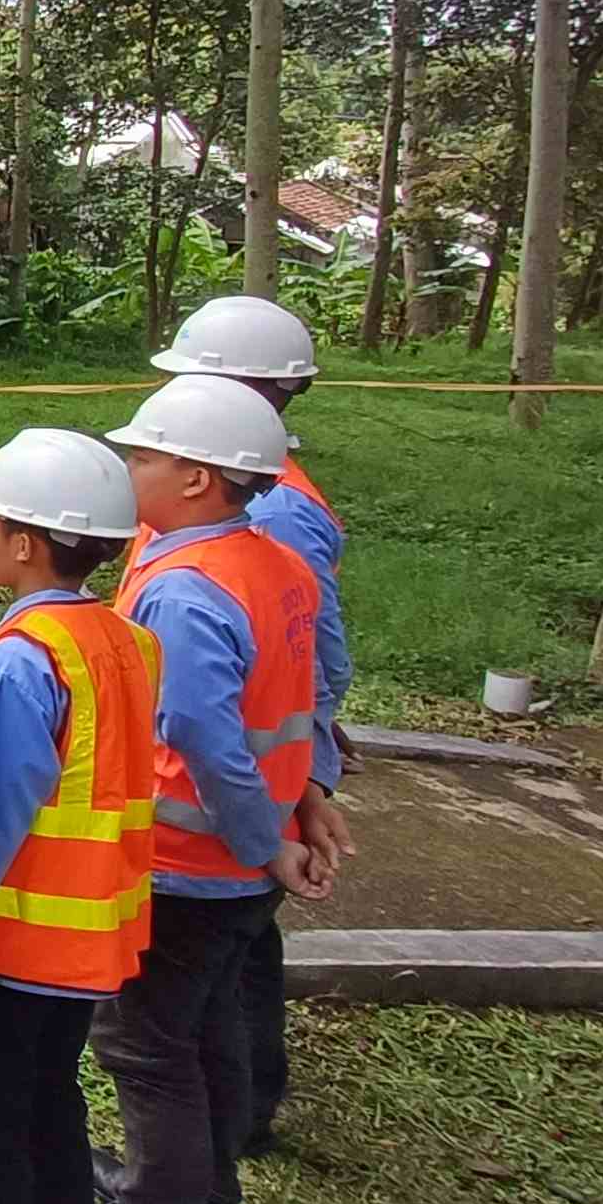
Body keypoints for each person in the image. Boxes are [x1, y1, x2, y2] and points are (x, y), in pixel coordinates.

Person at [95, 376, 332, 1204]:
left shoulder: (188, 592)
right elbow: (300, 698)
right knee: (209, 1039)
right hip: (244, 865)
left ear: (197, 478)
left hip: (189, 865)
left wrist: (261, 838)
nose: (129, 467)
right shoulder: (272, 565)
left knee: (147, 1051)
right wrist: (296, 809)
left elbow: (204, 737)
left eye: (144, 455)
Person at [0, 429, 161, 1204]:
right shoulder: (128, 642)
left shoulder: (23, 663)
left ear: (24, 543)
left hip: (13, 951)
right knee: (53, 1118)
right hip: (93, 944)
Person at [149, 295, 353, 1155]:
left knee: (196, 1013)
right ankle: (225, 1147)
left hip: (211, 841)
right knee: (228, 975)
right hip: (240, 825)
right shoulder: (238, 510)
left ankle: (216, 1165)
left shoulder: (266, 516)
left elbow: (317, 662)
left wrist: (296, 796)